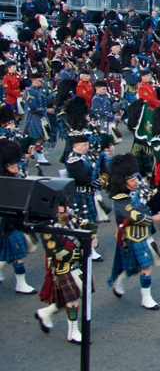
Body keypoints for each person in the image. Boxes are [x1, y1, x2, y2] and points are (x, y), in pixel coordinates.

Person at [107, 153, 160, 310]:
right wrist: (155, 218)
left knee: (140, 266)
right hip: (132, 235)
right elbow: (135, 216)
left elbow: (149, 196)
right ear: (122, 181)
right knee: (146, 265)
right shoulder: (119, 199)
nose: (136, 182)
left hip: (144, 232)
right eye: (131, 180)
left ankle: (119, 279)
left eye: (135, 178)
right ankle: (146, 298)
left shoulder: (137, 184)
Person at [35, 202, 95, 344]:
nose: (67, 211)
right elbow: (56, 253)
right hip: (63, 266)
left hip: (77, 265)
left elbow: (90, 226)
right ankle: (73, 332)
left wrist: (94, 238)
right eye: (63, 209)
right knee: (73, 299)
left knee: (73, 296)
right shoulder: (49, 228)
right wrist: (80, 253)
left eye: (66, 208)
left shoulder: (72, 218)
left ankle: (45, 313)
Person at [0, 140, 37, 295]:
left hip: (13, 221)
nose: (16, 168)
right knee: (14, 254)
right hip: (5, 222)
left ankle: (20, 283)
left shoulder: (15, 173)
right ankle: (19, 283)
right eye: (12, 166)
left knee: (17, 254)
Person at [64, 134, 103, 261]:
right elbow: (84, 179)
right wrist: (99, 178)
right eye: (84, 145)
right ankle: (87, 249)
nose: (87, 147)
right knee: (84, 222)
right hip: (80, 194)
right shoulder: (73, 160)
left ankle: (89, 247)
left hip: (88, 194)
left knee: (90, 221)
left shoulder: (84, 156)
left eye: (87, 144)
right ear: (75, 146)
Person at [23, 72, 53, 165]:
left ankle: (31, 151)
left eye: (42, 80)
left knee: (42, 136)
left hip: (42, 116)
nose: (41, 82)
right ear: (33, 80)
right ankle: (40, 157)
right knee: (39, 137)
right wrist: (46, 110)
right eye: (39, 80)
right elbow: (33, 106)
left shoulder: (42, 89)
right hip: (34, 116)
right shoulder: (30, 91)